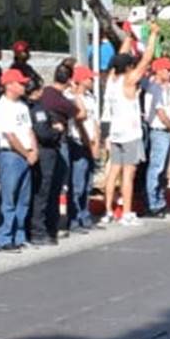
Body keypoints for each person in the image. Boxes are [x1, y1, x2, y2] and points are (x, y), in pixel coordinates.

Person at [102, 31, 154, 225]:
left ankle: (108, 211)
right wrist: (153, 37)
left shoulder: (112, 80)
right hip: (130, 134)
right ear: (128, 67)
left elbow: (120, 57)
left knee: (113, 172)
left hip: (115, 132)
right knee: (128, 175)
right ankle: (126, 213)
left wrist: (128, 39)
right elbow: (146, 60)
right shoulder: (129, 81)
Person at [0, 68, 37, 252]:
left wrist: (34, 150)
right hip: (10, 155)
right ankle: (5, 238)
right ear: (9, 85)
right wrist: (26, 154)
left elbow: (29, 129)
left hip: (26, 154)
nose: (24, 85)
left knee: (23, 198)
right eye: (20, 83)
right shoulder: (3, 107)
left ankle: (19, 235)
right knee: (9, 199)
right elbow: (10, 136)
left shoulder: (22, 105)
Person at [27, 72, 73, 243]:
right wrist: (57, 130)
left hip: (45, 152)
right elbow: (43, 133)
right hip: (45, 152)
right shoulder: (38, 110)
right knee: (43, 193)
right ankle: (39, 231)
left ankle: (43, 229)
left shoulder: (33, 107)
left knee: (46, 192)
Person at [141, 55, 170, 218]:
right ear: (159, 71)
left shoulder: (166, 89)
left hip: (166, 131)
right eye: (167, 69)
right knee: (156, 168)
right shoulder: (154, 88)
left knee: (162, 169)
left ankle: (160, 200)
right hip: (159, 130)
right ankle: (152, 203)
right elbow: (160, 113)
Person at [66, 65, 98, 232]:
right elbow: (78, 121)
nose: (92, 81)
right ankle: (74, 218)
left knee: (88, 182)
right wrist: (87, 140)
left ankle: (85, 215)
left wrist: (96, 142)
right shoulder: (71, 97)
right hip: (78, 141)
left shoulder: (91, 97)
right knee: (77, 184)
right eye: (89, 78)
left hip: (90, 141)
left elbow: (94, 121)